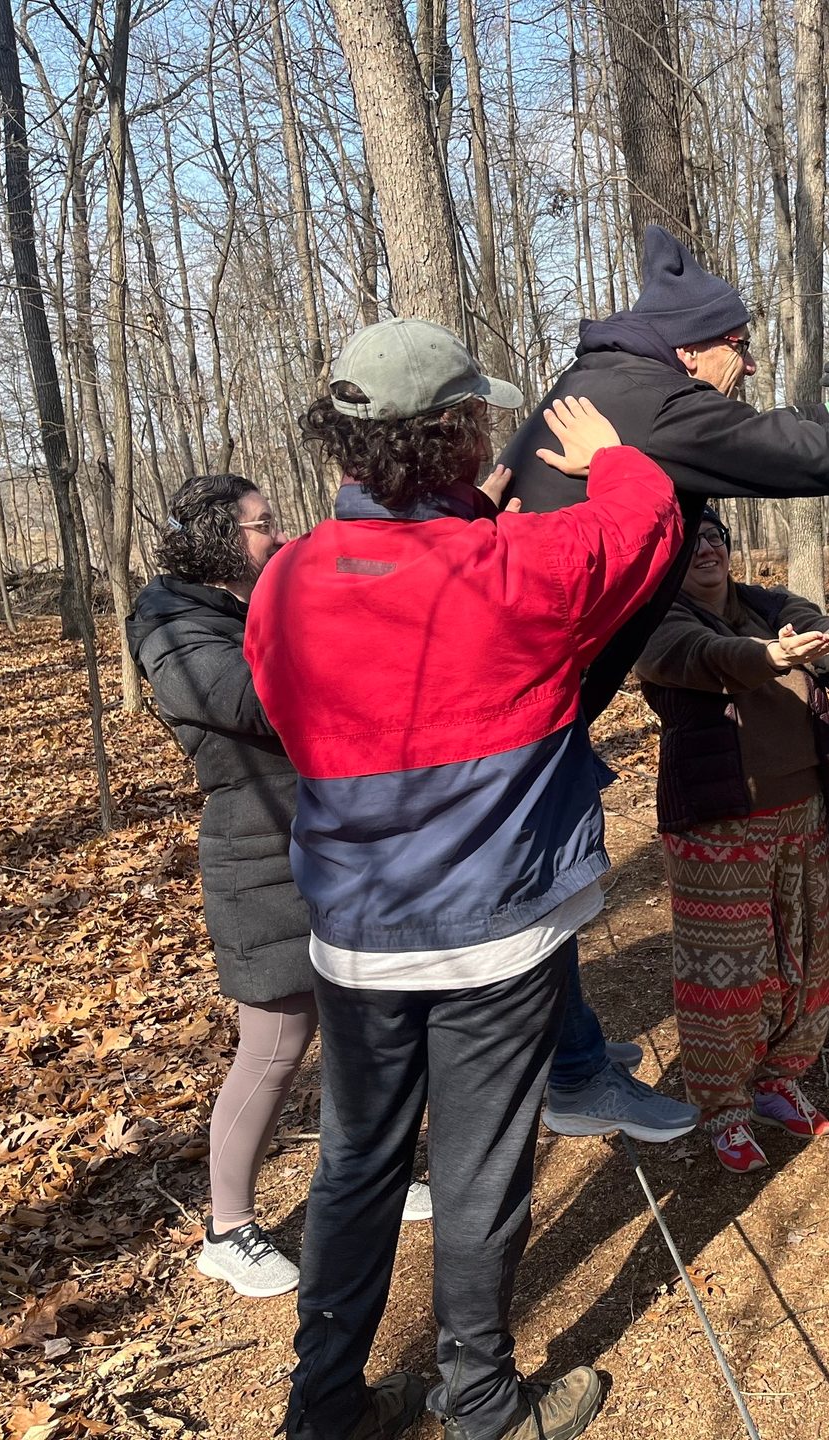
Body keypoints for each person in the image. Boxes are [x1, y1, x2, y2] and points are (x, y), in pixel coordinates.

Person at [500, 223, 829, 1145]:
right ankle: (560, 1080)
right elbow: (814, 466)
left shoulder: (616, 389)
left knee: (530, 891)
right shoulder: (651, 402)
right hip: (530, 695)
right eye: (738, 347)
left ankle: (577, 1057)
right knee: (516, 900)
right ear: (690, 348)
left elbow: (760, 445)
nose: (748, 364)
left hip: (536, 683)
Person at [245, 318, 684, 1440]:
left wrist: (455, 527)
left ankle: (324, 1408)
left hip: (354, 931)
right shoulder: (522, 566)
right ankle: (481, 1403)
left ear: (342, 446)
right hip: (497, 939)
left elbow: (328, 675)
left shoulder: (287, 579)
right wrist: (606, 460)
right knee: (479, 1170)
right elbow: (643, 527)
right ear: (456, 438)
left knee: (357, 1166)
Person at [125, 476, 431, 1299]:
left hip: (335, 837)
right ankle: (228, 1230)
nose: (279, 536)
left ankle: (371, 1174)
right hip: (259, 850)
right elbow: (256, 701)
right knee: (275, 1044)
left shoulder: (258, 598)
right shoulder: (171, 624)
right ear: (220, 538)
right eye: (263, 527)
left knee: (361, 1025)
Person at [632, 506, 829, 1173]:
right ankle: (723, 1107)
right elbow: (705, 658)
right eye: (689, 542)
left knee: (807, 956)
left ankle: (780, 1076)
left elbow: (820, 626)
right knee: (726, 972)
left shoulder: (770, 602)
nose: (707, 549)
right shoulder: (655, 622)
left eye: (715, 537)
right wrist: (770, 656)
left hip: (802, 809)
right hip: (718, 821)